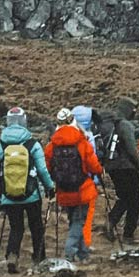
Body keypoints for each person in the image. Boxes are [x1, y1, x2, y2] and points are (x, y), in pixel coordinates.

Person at [0, 107, 54, 272]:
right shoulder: (33, 144)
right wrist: (50, 187)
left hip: (9, 196)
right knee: (36, 226)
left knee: (16, 227)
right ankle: (39, 258)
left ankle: (12, 255)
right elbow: (42, 170)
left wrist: (1, 188)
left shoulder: (0, 145)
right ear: (24, 121)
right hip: (32, 195)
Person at [46, 109, 105, 261]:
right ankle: (70, 251)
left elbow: (48, 168)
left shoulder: (52, 146)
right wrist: (100, 171)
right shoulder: (82, 142)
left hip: (63, 190)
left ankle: (83, 253)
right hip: (82, 190)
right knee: (79, 222)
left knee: (75, 220)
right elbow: (93, 165)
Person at [99, 106, 139, 243]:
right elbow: (131, 148)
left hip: (112, 166)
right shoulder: (125, 125)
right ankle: (128, 234)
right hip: (126, 167)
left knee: (124, 197)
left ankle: (111, 221)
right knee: (135, 199)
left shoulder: (111, 125)